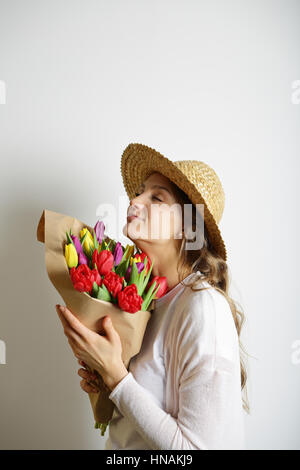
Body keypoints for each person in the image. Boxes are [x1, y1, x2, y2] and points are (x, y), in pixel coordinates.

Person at [76, 143, 249, 449]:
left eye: (156, 197)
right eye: (140, 192)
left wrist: (118, 377)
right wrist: (106, 380)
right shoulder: (148, 302)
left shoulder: (202, 307)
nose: (134, 200)